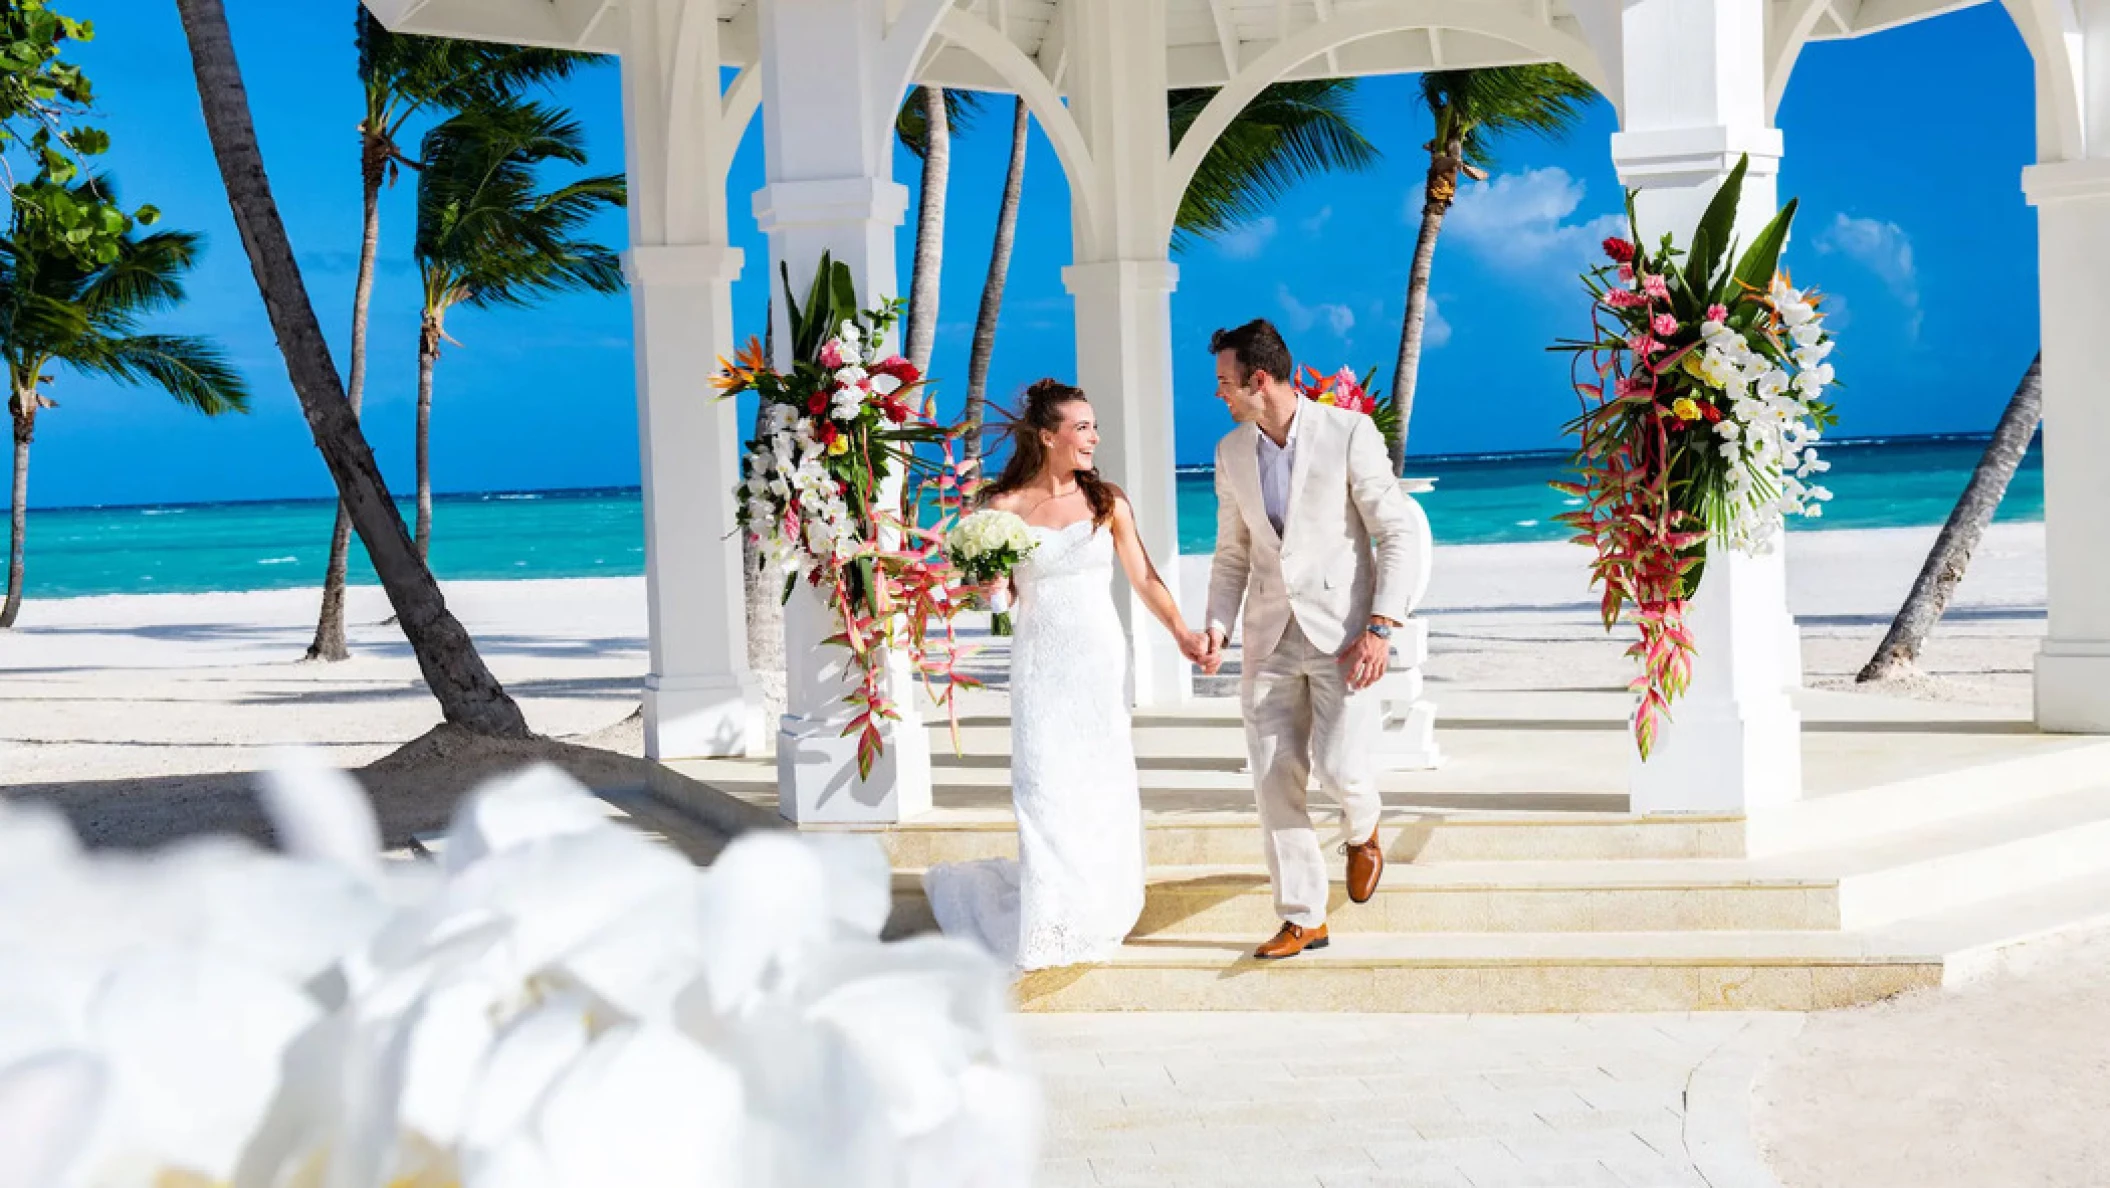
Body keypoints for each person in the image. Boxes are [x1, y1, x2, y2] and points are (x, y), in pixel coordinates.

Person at [922, 379, 1209, 971]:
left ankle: (1098, 907)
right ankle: (1050, 918)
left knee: (1099, 786)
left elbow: (1146, 578)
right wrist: (989, 589)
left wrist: (1182, 632)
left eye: (1094, 425)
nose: (1093, 437)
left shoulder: (1107, 501)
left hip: (1098, 663)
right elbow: (995, 606)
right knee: (1044, 791)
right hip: (1040, 668)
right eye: (1082, 427)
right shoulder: (1002, 509)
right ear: (1048, 435)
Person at [1200, 318, 1421, 960]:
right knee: (1275, 779)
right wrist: (1217, 623)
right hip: (1267, 637)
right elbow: (1231, 556)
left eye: (1225, 382)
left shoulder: (1348, 432)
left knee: (1341, 769)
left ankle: (1364, 827)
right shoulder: (1230, 452)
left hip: (1347, 635)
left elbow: (1395, 532)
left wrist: (1381, 626)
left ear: (1258, 380)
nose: (1219, 393)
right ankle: (1303, 916)